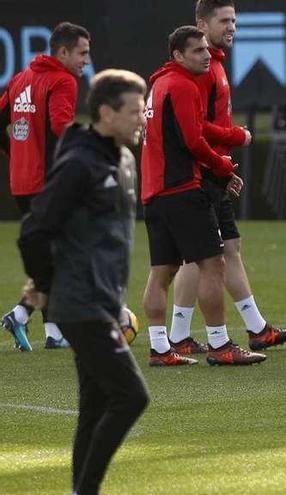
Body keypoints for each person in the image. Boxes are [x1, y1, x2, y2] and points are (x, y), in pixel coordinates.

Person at [18, 69, 151, 495]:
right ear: (106, 113)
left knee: (93, 408)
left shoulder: (125, 158)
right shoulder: (79, 163)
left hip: (104, 300)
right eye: (134, 111)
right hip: (80, 302)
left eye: (143, 110)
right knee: (132, 396)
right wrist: (45, 285)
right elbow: (35, 230)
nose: (141, 119)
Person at [166, 0, 286, 358]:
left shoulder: (215, 64)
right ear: (201, 23)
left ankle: (256, 328)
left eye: (234, 21)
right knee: (202, 257)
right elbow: (193, 127)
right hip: (203, 172)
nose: (232, 28)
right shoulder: (202, 66)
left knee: (227, 249)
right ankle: (184, 335)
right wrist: (234, 138)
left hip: (214, 170)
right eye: (224, 21)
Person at [141, 25, 265, 366]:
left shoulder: (159, 85)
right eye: (197, 51)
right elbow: (194, 141)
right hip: (182, 190)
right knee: (213, 265)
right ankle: (220, 344)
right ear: (178, 55)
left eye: (205, 50)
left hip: (154, 193)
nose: (206, 55)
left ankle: (160, 348)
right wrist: (224, 166)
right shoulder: (182, 85)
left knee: (162, 272)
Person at [0, 22, 91, 351]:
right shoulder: (62, 80)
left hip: (21, 182)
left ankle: (53, 331)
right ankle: (22, 314)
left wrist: (16, 155)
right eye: (82, 53)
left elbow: (1, 121)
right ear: (62, 52)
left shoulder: (20, 79)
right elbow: (60, 128)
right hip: (48, 183)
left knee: (53, 256)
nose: (86, 61)